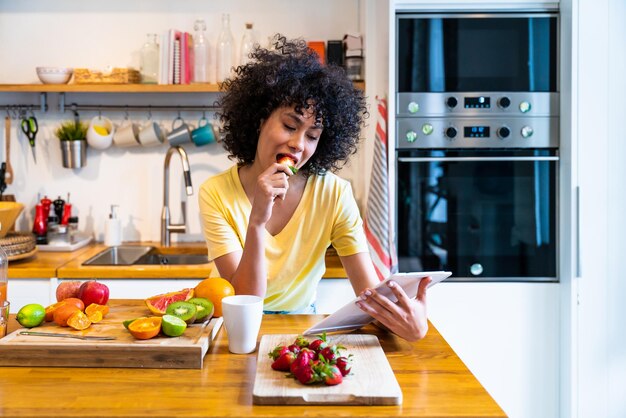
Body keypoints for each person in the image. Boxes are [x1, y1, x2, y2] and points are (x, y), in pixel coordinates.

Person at [199, 35, 431, 341]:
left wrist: (413, 323)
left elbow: (369, 295)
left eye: (312, 135)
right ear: (258, 120)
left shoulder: (334, 195)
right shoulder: (215, 192)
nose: (298, 144)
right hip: (232, 331)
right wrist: (257, 220)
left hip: (301, 333)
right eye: (290, 126)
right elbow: (244, 300)